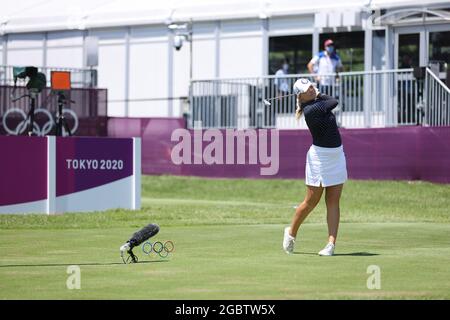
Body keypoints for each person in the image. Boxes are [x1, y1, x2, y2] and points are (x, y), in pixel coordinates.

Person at [282, 78, 347, 256]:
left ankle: (331, 245)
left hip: (336, 155)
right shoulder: (311, 109)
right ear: (300, 96)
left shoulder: (317, 103)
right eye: (307, 89)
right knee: (312, 201)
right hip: (319, 158)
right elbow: (334, 101)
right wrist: (319, 93)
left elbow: (330, 102)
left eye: (311, 86)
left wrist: (316, 94)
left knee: (333, 201)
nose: (311, 89)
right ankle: (291, 232)